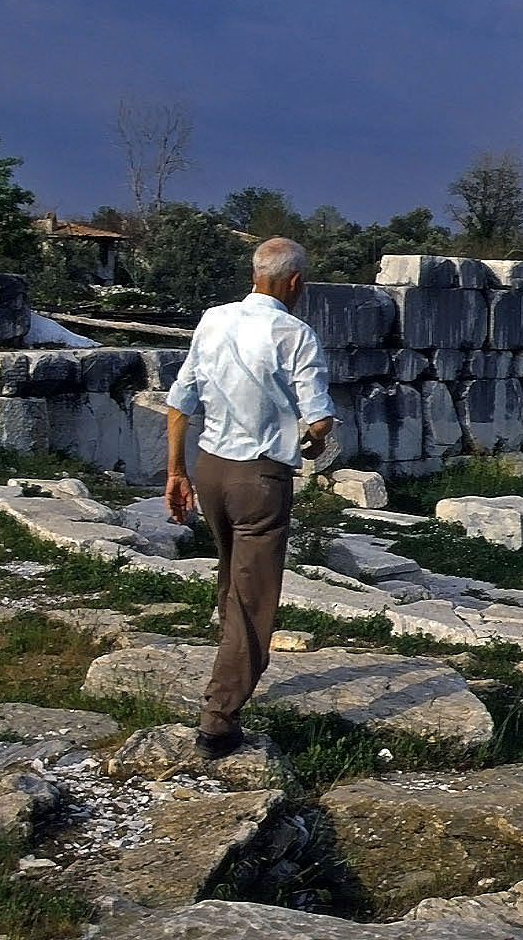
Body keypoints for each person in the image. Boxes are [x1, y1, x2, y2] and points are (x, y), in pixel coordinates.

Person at [163, 237, 335, 758]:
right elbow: (319, 417)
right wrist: (317, 440)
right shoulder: (296, 334)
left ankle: (226, 666)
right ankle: (219, 718)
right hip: (260, 478)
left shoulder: (213, 319)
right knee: (255, 595)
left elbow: (180, 400)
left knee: (231, 580)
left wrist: (176, 471)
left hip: (210, 469)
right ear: (296, 282)